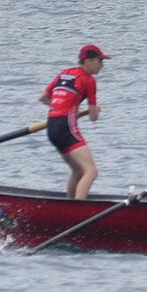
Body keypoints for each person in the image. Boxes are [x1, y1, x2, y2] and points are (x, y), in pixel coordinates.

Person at [38, 43, 110, 199]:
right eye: (100, 61)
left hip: (52, 128)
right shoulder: (89, 80)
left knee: (78, 170)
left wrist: (65, 108)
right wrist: (94, 110)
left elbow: (43, 97)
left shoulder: (65, 73)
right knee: (91, 171)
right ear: (88, 62)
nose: (102, 65)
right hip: (66, 127)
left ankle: (70, 205)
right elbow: (93, 117)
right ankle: (79, 207)